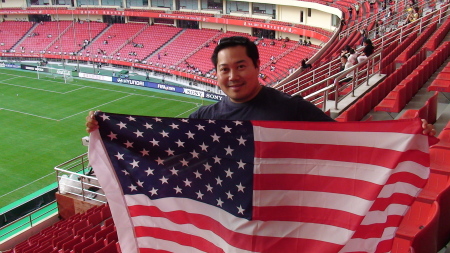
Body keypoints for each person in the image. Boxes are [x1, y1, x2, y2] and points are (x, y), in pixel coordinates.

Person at [85, 36, 436, 135]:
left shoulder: (292, 108)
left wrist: (403, 133)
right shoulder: (204, 117)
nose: (233, 75)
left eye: (241, 66)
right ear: (217, 75)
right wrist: (107, 130)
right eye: (225, 69)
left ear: (257, 67)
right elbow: (160, 144)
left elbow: (342, 140)